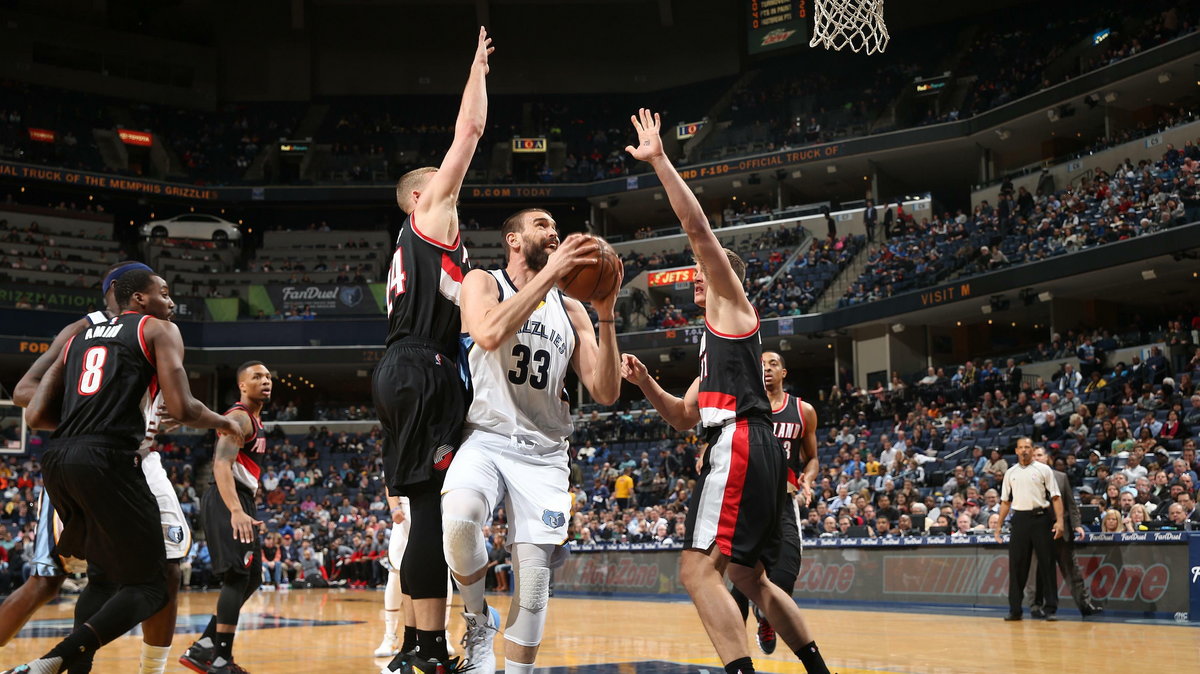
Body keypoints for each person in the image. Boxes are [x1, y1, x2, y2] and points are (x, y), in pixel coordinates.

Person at [620, 108, 832, 674]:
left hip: (739, 445)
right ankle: (818, 669)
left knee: (696, 572)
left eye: (700, 268)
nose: (693, 272)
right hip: (743, 443)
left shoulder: (733, 307)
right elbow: (684, 418)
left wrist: (661, 160)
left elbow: (697, 230)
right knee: (746, 576)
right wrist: (645, 385)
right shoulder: (715, 355)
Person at [15, 269, 241, 674]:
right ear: (136, 298)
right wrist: (225, 423)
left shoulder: (81, 340)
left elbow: (35, 415)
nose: (172, 302)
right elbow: (187, 407)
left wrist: (112, 408)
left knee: (125, 575)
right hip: (113, 456)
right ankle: (56, 660)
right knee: (144, 583)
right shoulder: (140, 329)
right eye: (165, 293)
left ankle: (85, 666)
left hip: (75, 458)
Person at [441, 207, 621, 674]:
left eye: (556, 228)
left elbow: (604, 392)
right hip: (486, 434)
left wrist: (606, 315)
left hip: (545, 455)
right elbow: (488, 331)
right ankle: (478, 620)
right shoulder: (483, 281)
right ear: (514, 240)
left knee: (535, 584)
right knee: (459, 524)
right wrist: (553, 276)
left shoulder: (574, 309)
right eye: (542, 225)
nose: (554, 232)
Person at [371, 27, 493, 674]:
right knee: (428, 513)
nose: (453, 190)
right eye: (440, 184)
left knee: (422, 507)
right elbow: (469, 132)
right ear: (420, 198)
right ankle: (429, 648)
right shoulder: (430, 217)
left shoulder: (416, 252)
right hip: (426, 367)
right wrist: (476, 69)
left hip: (401, 365)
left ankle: (420, 649)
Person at [178, 361, 272, 674]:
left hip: (241, 498)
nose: (265, 381)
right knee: (236, 577)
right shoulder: (238, 417)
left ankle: (204, 645)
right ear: (243, 385)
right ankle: (220, 662)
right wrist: (236, 511)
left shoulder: (256, 419)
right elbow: (221, 466)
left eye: (268, 376)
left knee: (253, 577)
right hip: (226, 499)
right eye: (257, 377)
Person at [729, 350, 818, 655]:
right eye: (761, 365)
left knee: (785, 574)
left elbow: (813, 458)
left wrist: (808, 476)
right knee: (738, 583)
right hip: (747, 499)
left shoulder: (802, 410)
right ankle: (736, 656)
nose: (766, 369)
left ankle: (765, 617)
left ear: (784, 372)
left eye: (773, 364)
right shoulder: (743, 407)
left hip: (783, 500)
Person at [1022, 447, 1102, 618]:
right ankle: (1036, 607)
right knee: (1036, 573)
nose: (1037, 458)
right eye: (1034, 455)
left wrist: (1077, 525)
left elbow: (1071, 504)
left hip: (1062, 531)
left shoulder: (1061, 477)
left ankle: (1085, 605)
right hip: (1038, 532)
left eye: (1040, 455)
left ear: (1047, 458)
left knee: (1073, 571)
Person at [996, 437, 1064, 621]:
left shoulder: (1043, 470)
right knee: (1017, 566)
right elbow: (1005, 502)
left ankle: (1050, 609)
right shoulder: (1010, 473)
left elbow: (1056, 497)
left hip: (1041, 518)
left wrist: (1060, 521)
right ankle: (1015, 609)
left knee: (1047, 564)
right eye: (1021, 447)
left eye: (1027, 447)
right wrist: (999, 525)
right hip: (1019, 520)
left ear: (1032, 450)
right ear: (1016, 451)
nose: (1024, 450)